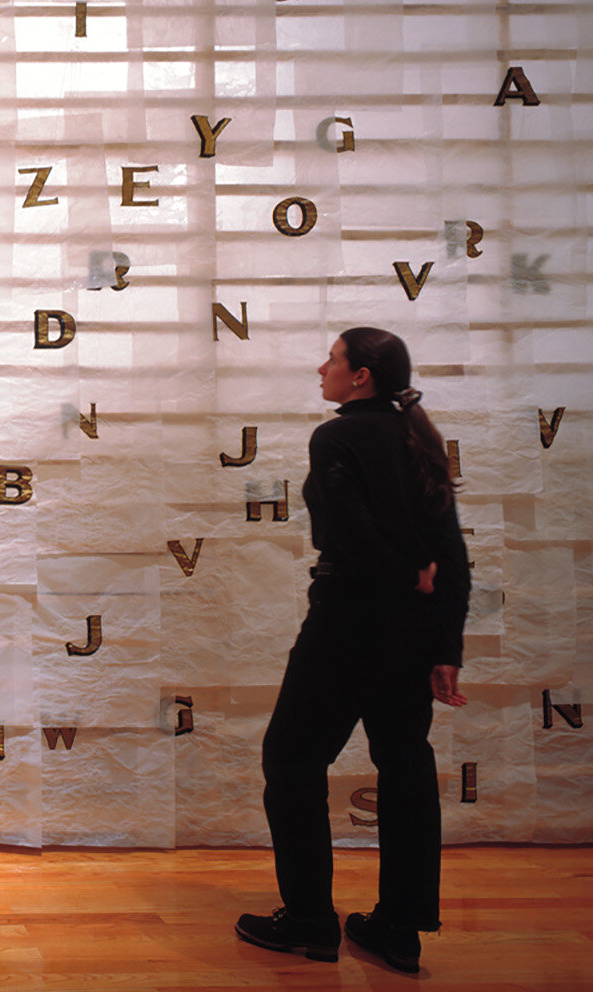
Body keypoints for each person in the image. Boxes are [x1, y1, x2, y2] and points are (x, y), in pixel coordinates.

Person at [235, 327, 470, 974]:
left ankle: (310, 920)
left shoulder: (337, 435)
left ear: (361, 375)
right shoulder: (416, 436)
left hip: (347, 622)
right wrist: (446, 643)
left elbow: (350, 534)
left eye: (333, 360)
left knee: (290, 758)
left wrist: (400, 576)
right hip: (413, 632)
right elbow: (450, 553)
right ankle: (399, 927)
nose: (322, 368)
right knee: (404, 767)